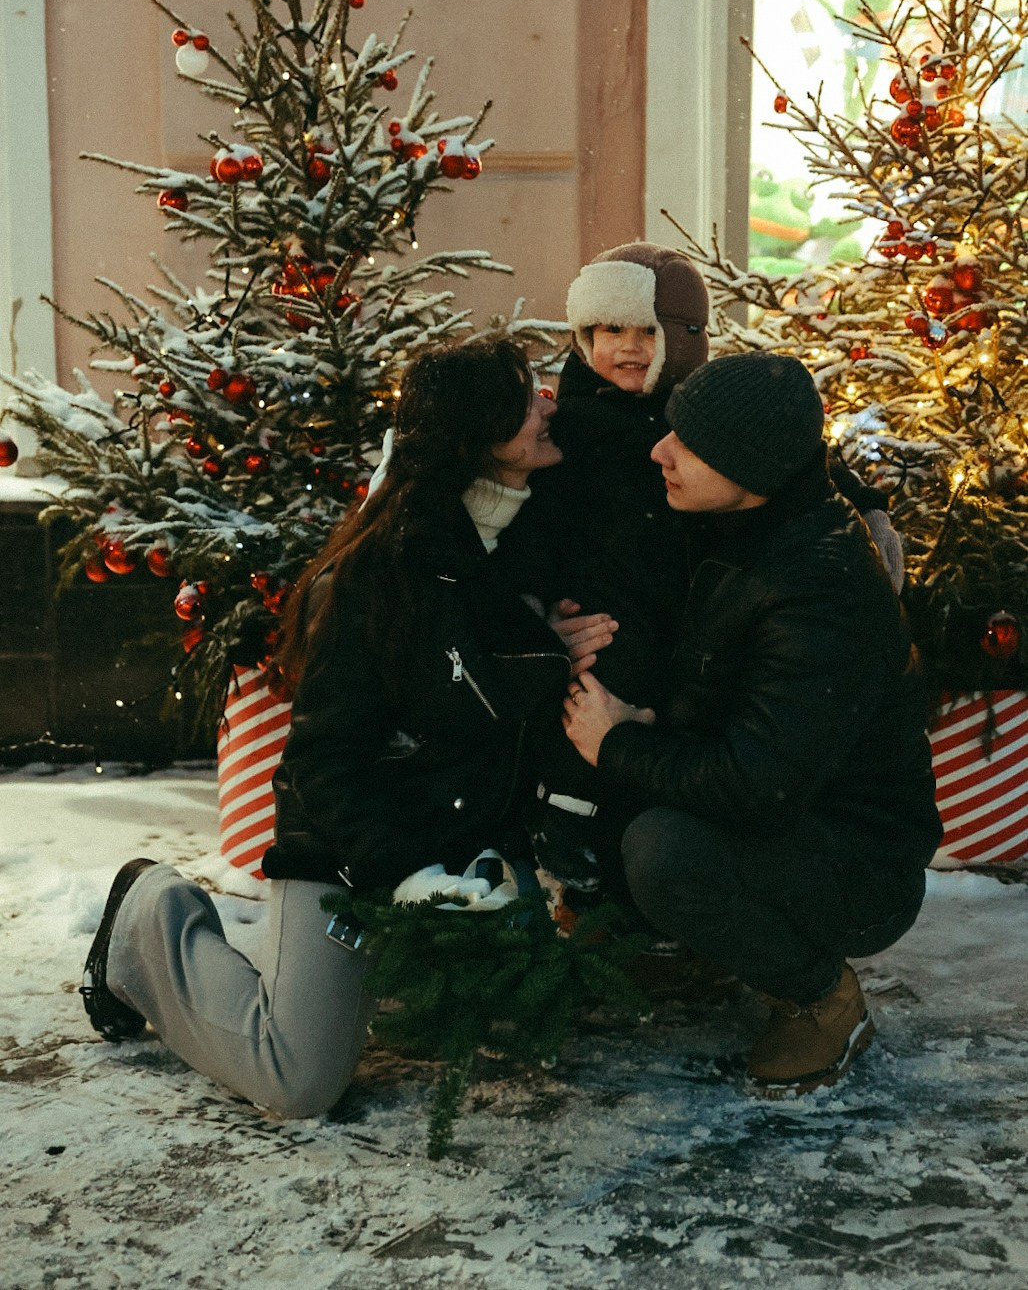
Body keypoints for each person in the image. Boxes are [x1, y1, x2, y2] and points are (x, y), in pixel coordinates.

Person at [79, 337, 576, 1119]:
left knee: (519, 1016)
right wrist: (405, 876)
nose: (547, 404)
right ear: (474, 432)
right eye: (524, 398)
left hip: (466, 845)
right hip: (350, 849)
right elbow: (326, 762)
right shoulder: (382, 575)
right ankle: (149, 914)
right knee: (297, 1080)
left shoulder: (526, 541)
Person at [561, 351, 942, 1097]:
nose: (659, 451)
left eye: (689, 445)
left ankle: (821, 997)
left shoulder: (819, 589)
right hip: (784, 812)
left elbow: (759, 785)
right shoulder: (733, 518)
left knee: (663, 850)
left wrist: (620, 742)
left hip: (859, 861)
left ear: (753, 468)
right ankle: (710, 944)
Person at [501, 242, 902, 907]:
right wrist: (535, 615)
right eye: (608, 331)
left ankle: (652, 887)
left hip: (694, 606)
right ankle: (566, 824)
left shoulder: (715, 407)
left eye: (646, 331)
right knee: (598, 693)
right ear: (581, 335)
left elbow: (802, 460)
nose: (628, 348)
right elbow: (525, 525)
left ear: (685, 337)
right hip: (604, 607)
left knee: (664, 730)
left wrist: (872, 511)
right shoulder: (568, 426)